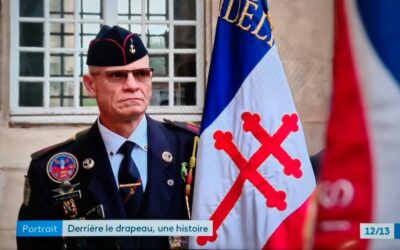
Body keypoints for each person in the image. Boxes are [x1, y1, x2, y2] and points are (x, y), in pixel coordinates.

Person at [17, 25, 199, 250]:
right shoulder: (50, 171)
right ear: (90, 85)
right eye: (117, 75)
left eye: (141, 74)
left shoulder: (192, 149)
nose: (132, 85)